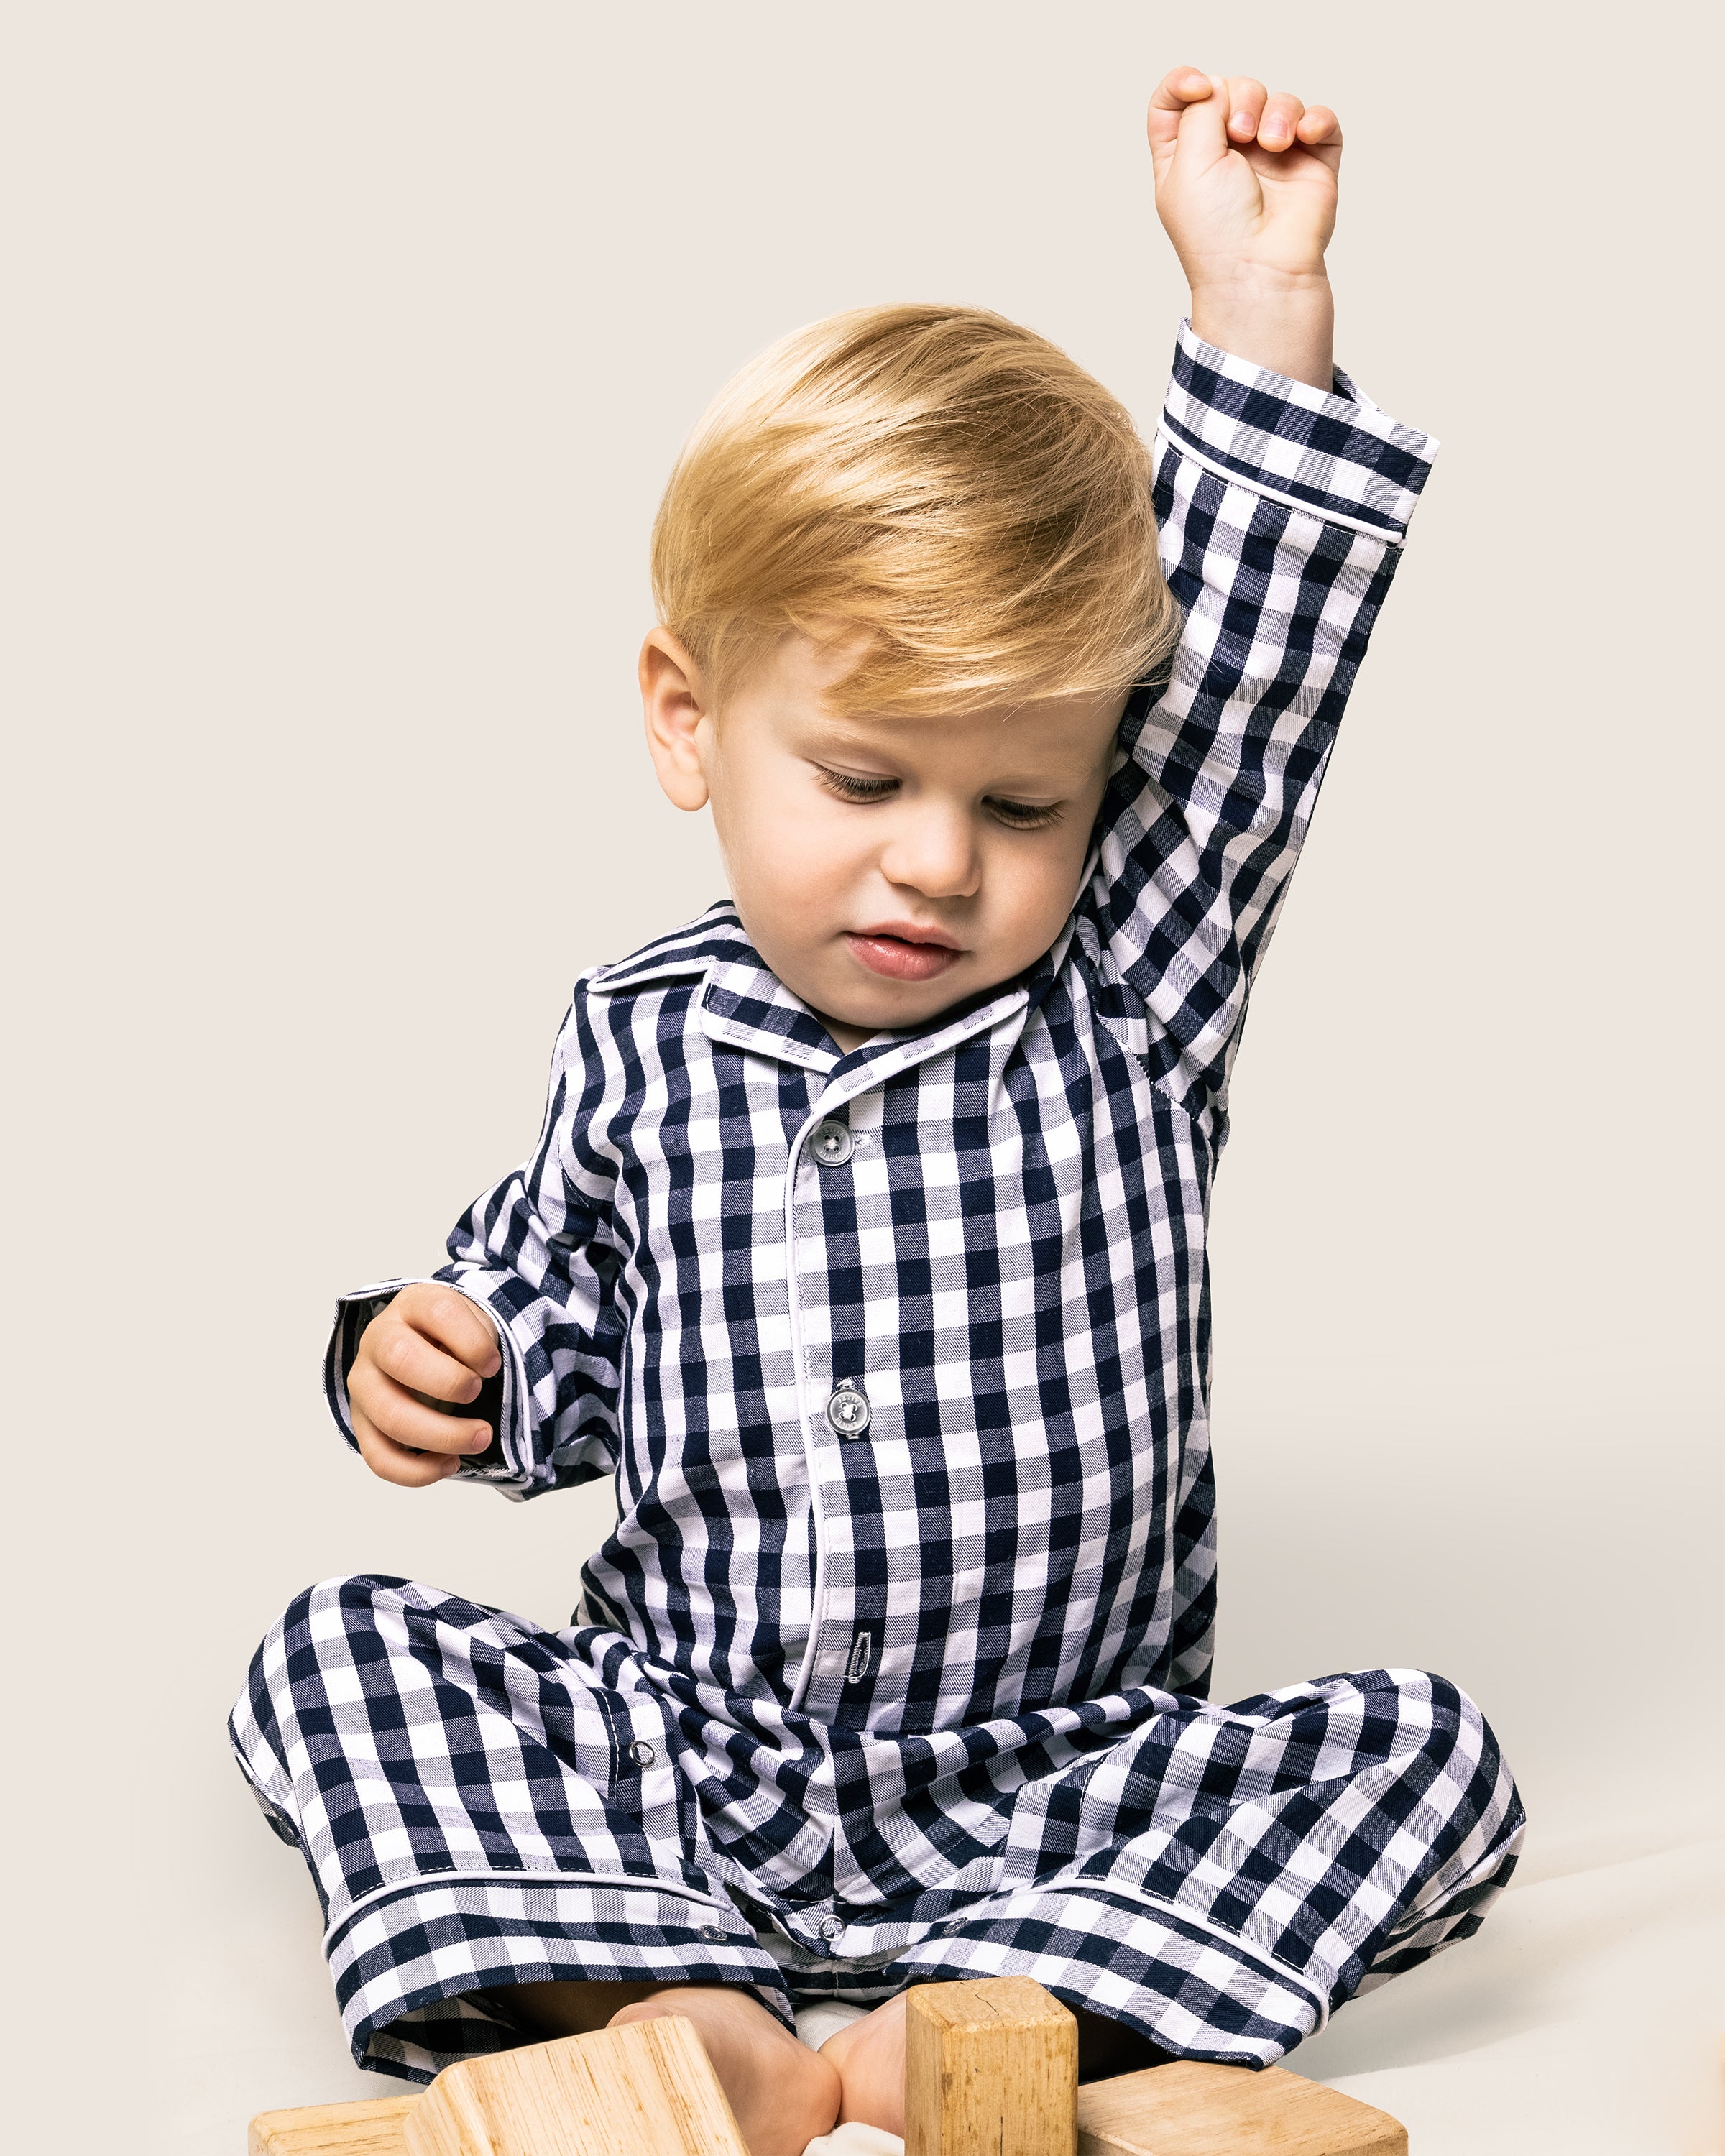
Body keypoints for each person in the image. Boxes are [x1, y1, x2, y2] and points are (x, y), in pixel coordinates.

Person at [231, 66, 1524, 2156]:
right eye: (863, 780)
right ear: (690, 723)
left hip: (1055, 1782)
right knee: (336, 1655)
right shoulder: (637, 1037)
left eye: (1022, 803)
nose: (938, 861)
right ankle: (673, 2023)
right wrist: (444, 1365)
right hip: (688, 1762)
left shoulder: (1128, 983)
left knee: (1420, 1748)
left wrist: (1258, 309)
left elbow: (1247, 698)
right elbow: (559, 1333)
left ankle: (1003, 2024)